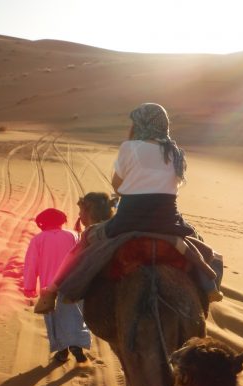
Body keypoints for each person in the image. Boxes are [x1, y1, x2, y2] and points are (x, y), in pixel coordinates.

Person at [33, 103, 223, 313]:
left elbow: (117, 186)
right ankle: (208, 288)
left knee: (85, 240)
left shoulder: (129, 147)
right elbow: (175, 185)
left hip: (127, 222)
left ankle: (51, 291)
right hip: (170, 223)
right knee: (204, 247)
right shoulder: (176, 152)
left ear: (140, 124)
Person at [23, 208, 91, 364]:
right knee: (76, 316)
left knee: (54, 319)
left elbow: (31, 264)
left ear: (42, 223)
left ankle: (62, 352)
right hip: (74, 284)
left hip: (49, 288)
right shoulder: (73, 236)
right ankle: (76, 347)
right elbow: (83, 258)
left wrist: (29, 286)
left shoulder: (38, 240)